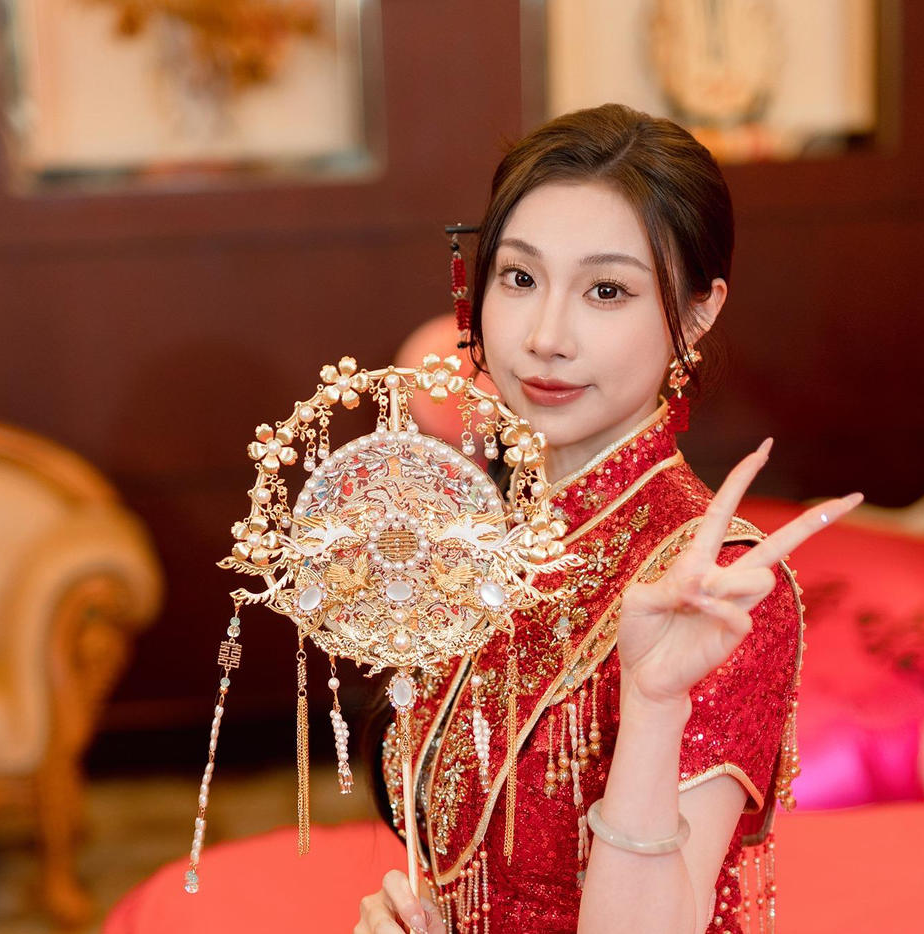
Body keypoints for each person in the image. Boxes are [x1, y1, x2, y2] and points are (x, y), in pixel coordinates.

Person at [355, 104, 862, 934]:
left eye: (606, 291)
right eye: (519, 278)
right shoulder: (482, 534)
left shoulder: (717, 588)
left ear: (696, 314)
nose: (546, 337)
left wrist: (655, 701)